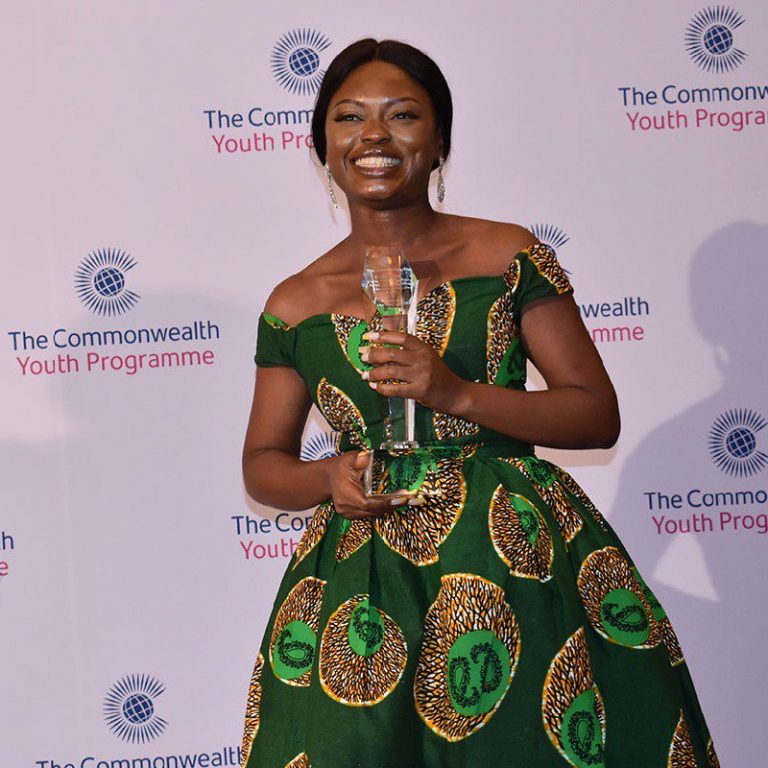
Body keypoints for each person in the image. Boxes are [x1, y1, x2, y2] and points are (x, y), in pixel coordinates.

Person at [238, 38, 719, 768]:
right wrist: (327, 479)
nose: (374, 136)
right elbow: (263, 464)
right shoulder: (293, 304)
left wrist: (455, 392)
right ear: (322, 148)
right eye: (349, 118)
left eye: (402, 115)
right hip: (367, 584)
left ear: (439, 143)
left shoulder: (507, 256)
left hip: (513, 559)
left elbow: (594, 414)